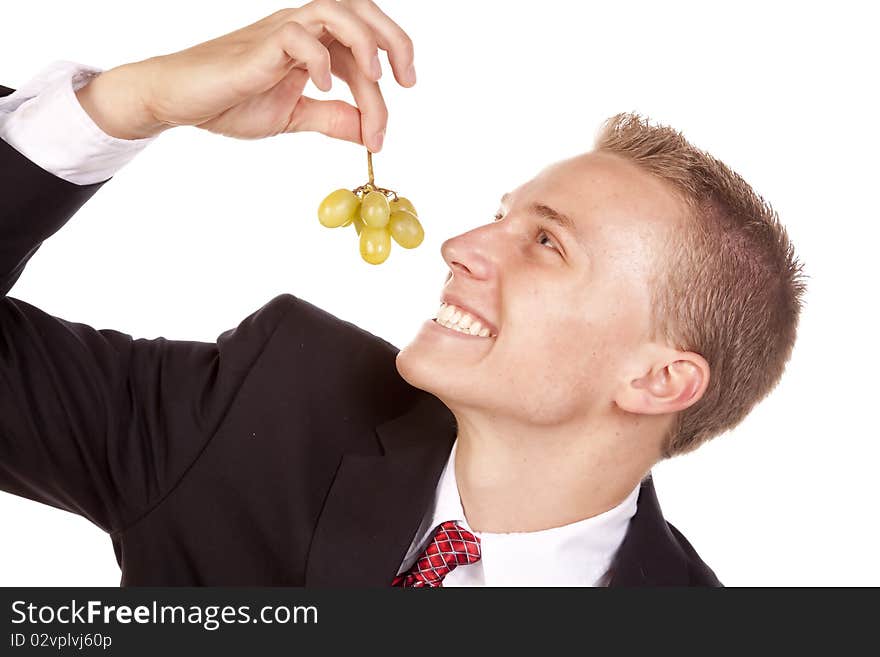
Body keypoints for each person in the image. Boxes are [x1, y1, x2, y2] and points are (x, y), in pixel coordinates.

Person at [0, 1, 805, 587]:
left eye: (547, 243)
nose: (457, 248)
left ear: (659, 379)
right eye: (501, 216)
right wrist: (128, 105)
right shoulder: (268, 405)